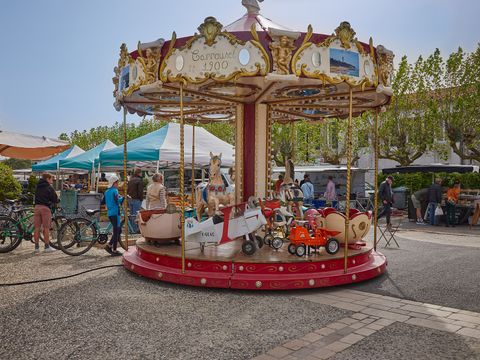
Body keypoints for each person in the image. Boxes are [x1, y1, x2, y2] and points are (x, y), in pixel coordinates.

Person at [33, 173, 58, 254]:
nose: (52, 181)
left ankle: (36, 248)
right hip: (45, 208)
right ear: (47, 179)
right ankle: (47, 247)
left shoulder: (38, 186)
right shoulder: (49, 187)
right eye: (51, 179)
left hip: (37, 207)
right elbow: (55, 199)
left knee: (36, 228)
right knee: (46, 228)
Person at [104, 175, 123, 256]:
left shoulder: (106, 191)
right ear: (114, 183)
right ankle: (113, 249)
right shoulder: (115, 191)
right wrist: (124, 198)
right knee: (117, 231)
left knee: (118, 230)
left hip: (110, 213)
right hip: (115, 213)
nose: (118, 184)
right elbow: (117, 201)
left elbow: (104, 201)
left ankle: (110, 246)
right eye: (117, 182)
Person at [127, 168, 144, 232]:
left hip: (130, 199)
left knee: (132, 214)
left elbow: (128, 189)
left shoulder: (131, 180)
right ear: (139, 173)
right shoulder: (139, 180)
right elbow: (140, 191)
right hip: (136, 199)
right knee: (136, 215)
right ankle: (135, 229)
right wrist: (141, 199)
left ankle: (131, 229)